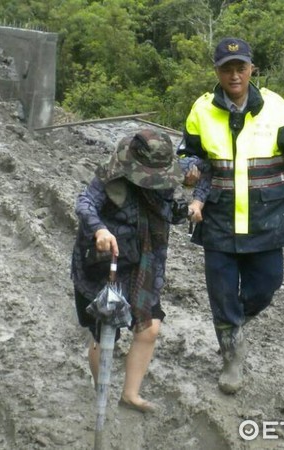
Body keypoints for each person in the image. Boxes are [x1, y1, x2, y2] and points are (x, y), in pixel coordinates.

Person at [177, 37, 284, 394]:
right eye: (226, 69)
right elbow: (189, 152)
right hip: (218, 217)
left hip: (268, 217)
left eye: (240, 68)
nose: (234, 75)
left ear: (252, 70)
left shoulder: (276, 107)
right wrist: (188, 167)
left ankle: (235, 324)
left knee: (267, 284)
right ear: (216, 72)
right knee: (220, 292)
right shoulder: (202, 109)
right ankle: (231, 354)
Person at [71, 128, 187, 412]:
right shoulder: (111, 174)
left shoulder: (164, 180)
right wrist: (99, 230)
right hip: (105, 264)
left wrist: (186, 210)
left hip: (145, 265)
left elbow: (168, 212)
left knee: (149, 329)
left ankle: (130, 394)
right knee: (104, 334)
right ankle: (103, 390)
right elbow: (85, 204)